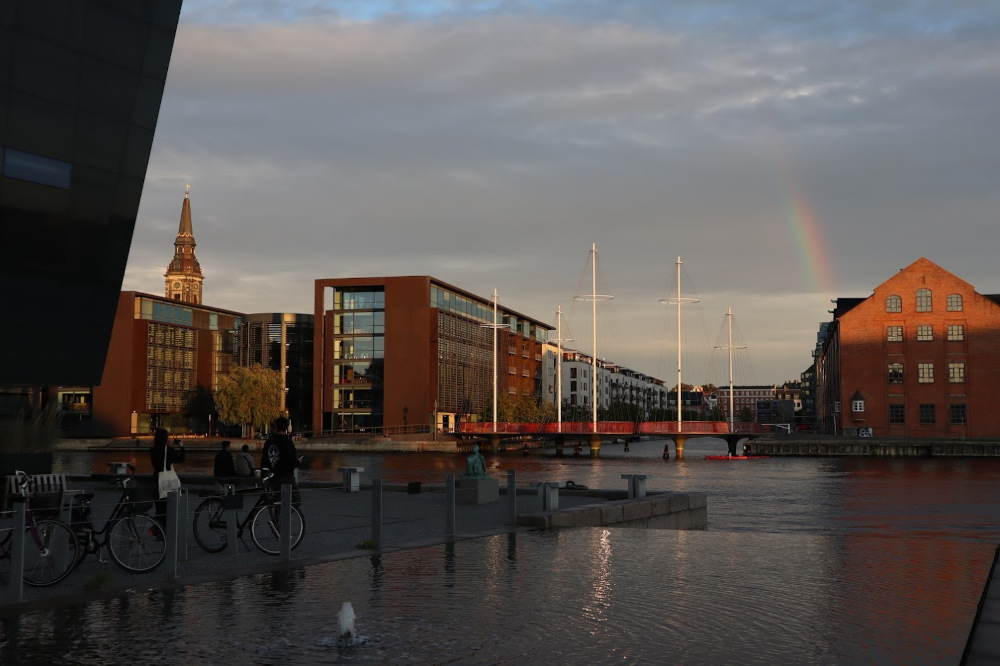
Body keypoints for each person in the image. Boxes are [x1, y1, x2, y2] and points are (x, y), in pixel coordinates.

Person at [260, 416, 301, 506]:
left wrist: (264, 476)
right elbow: (290, 460)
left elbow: (264, 460)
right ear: (286, 427)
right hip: (285, 476)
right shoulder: (287, 442)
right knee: (296, 500)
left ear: (276, 426)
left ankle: (277, 518)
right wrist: (298, 462)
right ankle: (282, 518)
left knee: (277, 501)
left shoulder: (269, 441)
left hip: (272, 476)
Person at [150, 429, 184, 528]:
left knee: (159, 509)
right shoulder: (168, 450)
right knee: (168, 509)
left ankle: (158, 530)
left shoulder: (153, 450)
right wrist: (181, 447)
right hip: (167, 482)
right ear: (166, 438)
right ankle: (165, 531)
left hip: (157, 480)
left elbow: (158, 463)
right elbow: (181, 459)